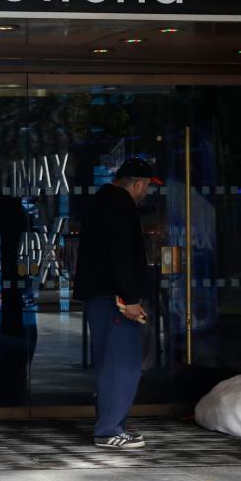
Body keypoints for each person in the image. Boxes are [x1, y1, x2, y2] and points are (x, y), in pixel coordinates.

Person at [73, 156, 160, 449]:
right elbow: (121, 255)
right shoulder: (120, 205)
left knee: (111, 360)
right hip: (114, 298)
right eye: (146, 186)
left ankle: (113, 423)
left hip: (102, 296)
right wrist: (130, 298)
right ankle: (109, 429)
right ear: (137, 183)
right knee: (120, 363)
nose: (145, 193)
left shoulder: (102, 201)